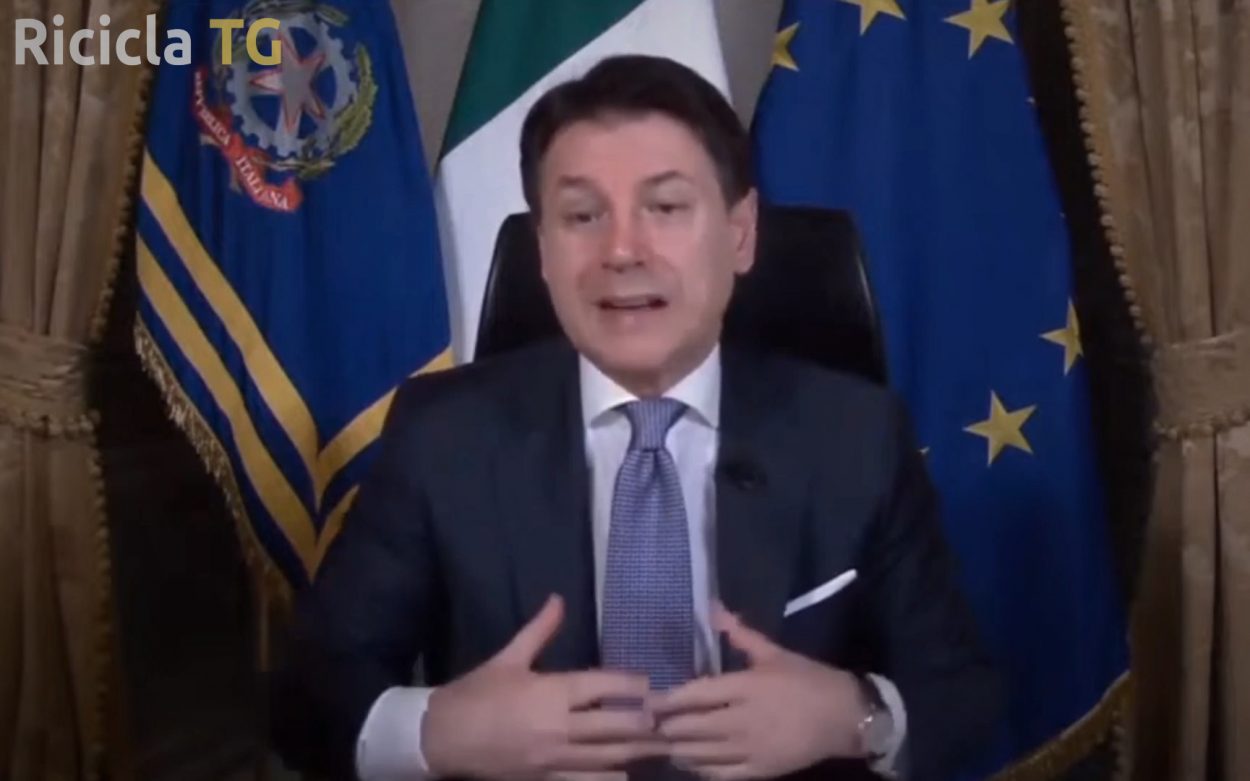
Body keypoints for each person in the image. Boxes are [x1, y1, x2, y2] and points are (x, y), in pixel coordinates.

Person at [273, 54, 1000, 781]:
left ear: (740, 233)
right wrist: (441, 730)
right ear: (544, 251)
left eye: (666, 207)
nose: (621, 251)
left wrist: (852, 713)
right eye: (582, 216)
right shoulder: (442, 435)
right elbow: (309, 693)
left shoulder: (858, 435)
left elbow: (961, 694)